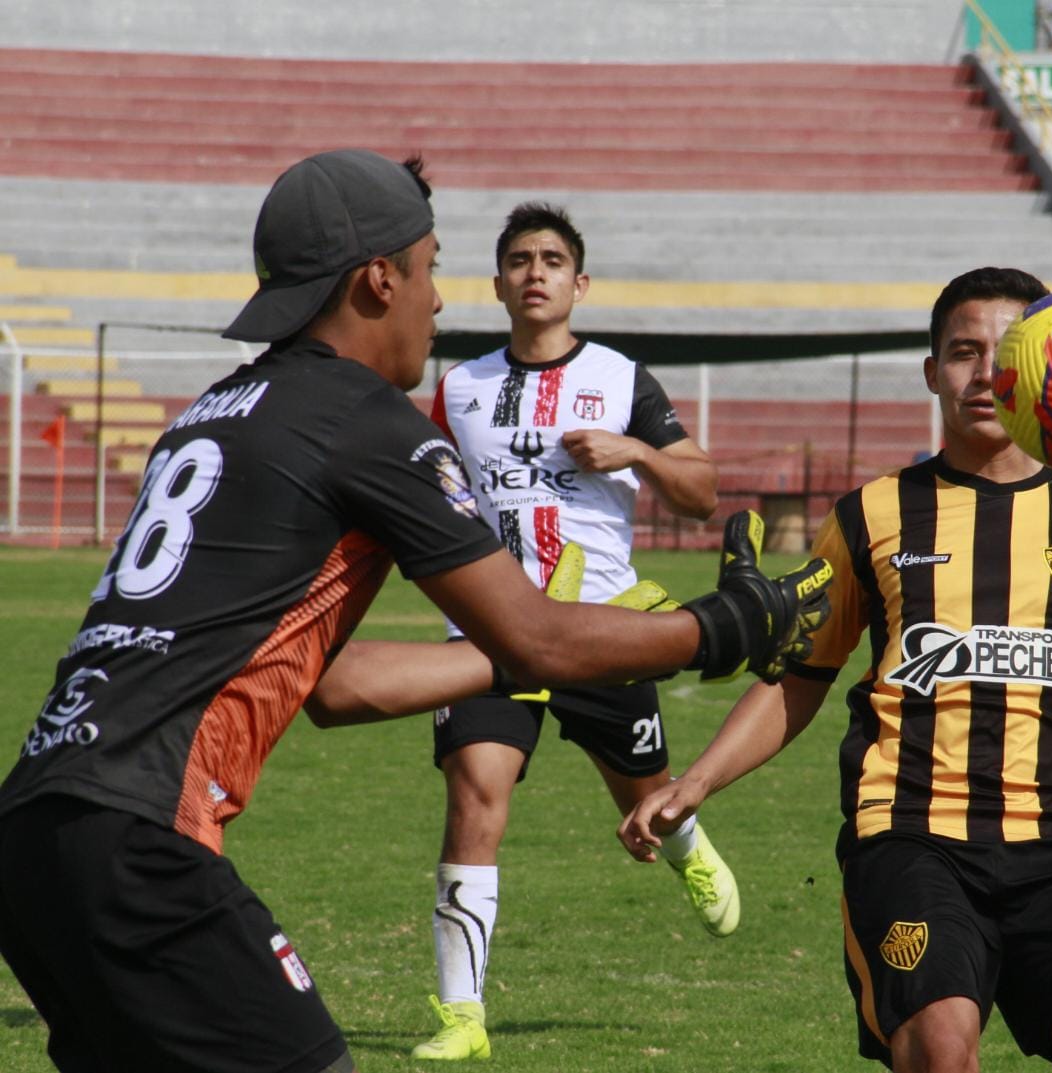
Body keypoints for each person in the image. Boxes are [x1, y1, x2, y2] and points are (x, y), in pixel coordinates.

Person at [0, 148, 831, 1073]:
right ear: (377, 279)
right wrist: (727, 627)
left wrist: (508, 663)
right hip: (145, 834)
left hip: (36, 833)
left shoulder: (213, 409)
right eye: (431, 268)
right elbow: (543, 637)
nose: (438, 300)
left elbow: (334, 686)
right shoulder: (364, 419)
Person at [619, 267, 1052, 1073]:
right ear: (932, 371)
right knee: (938, 1045)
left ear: (1042, 368)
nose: (983, 373)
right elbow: (798, 676)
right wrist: (697, 782)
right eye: (962, 353)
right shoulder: (869, 515)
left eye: (1004, 353)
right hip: (910, 832)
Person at [410, 202, 737, 1062]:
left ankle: (688, 843)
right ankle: (462, 1017)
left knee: (645, 799)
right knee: (476, 795)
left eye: (553, 259)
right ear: (497, 283)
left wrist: (640, 452)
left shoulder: (625, 378)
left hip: (600, 627)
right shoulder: (458, 386)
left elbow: (702, 490)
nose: (536, 272)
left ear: (579, 283)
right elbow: (415, 491)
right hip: (484, 632)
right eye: (519, 259)